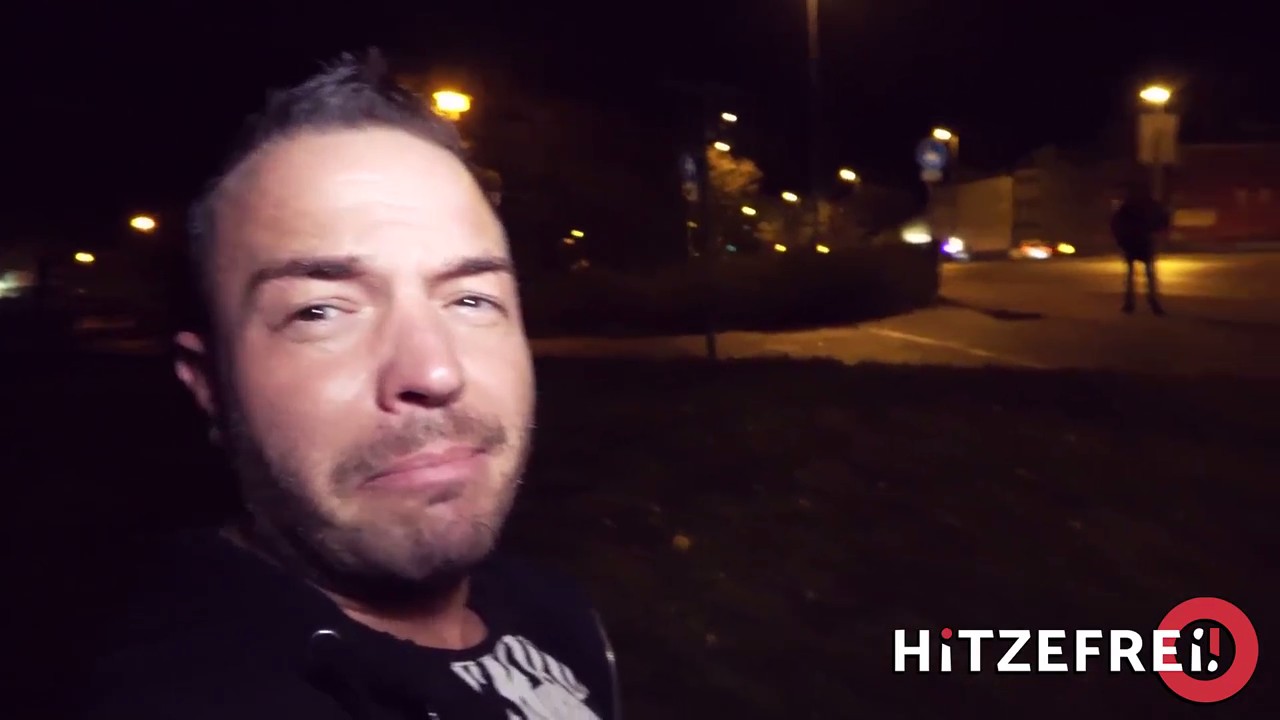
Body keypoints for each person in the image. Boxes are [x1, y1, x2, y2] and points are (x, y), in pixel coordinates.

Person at [80, 51, 620, 720]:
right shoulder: (199, 690)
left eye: (470, 299)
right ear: (209, 383)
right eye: (320, 312)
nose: (435, 373)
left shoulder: (553, 610)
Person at [1109, 181, 1169, 315]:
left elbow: (1116, 222)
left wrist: (1120, 239)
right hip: (1143, 241)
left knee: (1131, 274)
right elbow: (1163, 217)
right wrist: (1157, 231)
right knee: (1148, 274)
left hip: (1131, 242)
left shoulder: (1128, 206)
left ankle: (1130, 303)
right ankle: (1152, 302)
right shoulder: (1149, 204)